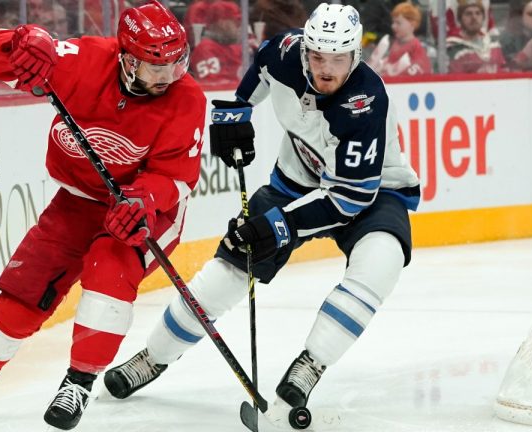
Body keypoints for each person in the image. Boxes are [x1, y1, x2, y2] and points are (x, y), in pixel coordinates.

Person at [104, 2, 420, 416]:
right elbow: (263, 66)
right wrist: (237, 110)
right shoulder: (286, 53)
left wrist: (280, 226)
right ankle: (154, 356)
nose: (326, 68)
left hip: (374, 195)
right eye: (318, 56)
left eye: (338, 59)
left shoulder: (365, 101)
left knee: (381, 261)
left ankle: (311, 363)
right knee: (231, 264)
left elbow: (349, 199)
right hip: (294, 184)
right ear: (305, 49)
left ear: (355, 56)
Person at [0, 1, 206, 430]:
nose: (168, 77)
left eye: (175, 64)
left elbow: (177, 175)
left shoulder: (187, 100)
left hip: (145, 212)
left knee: (107, 273)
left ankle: (79, 381)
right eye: (155, 67)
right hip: (76, 201)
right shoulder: (84, 61)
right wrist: (21, 41)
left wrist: (144, 199)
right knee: (27, 287)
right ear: (127, 60)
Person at [367, 2, 432, 76]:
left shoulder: (416, 47)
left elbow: (421, 69)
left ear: (412, 24)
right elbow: (391, 60)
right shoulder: (396, 43)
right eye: (393, 22)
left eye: (398, 23)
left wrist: (394, 71)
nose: (393, 26)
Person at [190, 0, 244, 85]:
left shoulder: (234, 47)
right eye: (236, 22)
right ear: (222, 23)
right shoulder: (205, 49)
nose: (239, 26)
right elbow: (212, 83)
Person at [446, 0, 507, 73]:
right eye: (468, 14)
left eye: (478, 13)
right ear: (460, 19)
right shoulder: (453, 48)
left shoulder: (494, 44)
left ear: (483, 18)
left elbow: (503, 71)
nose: (474, 17)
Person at [500, 0, 532, 71]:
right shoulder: (506, 39)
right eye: (531, 14)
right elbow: (509, 67)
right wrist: (531, 46)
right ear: (518, 16)